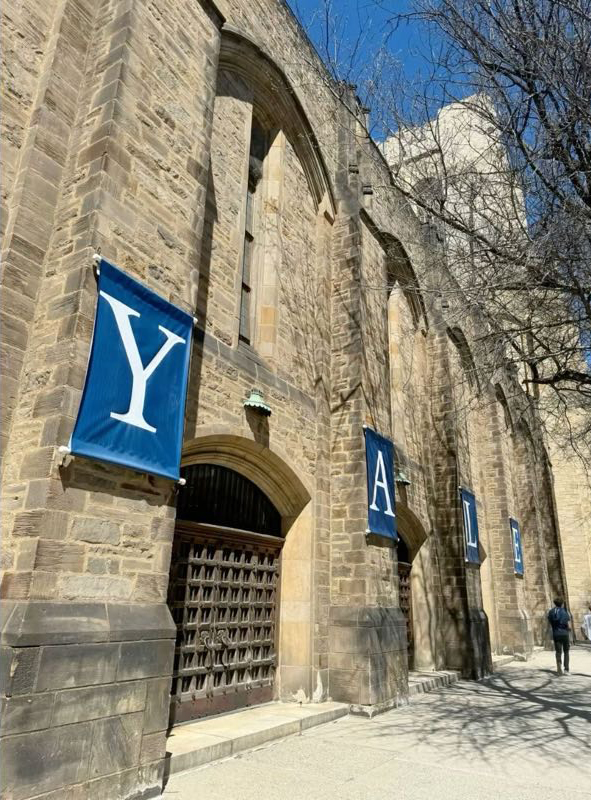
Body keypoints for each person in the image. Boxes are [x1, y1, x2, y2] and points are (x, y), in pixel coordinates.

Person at [548, 598, 571, 675]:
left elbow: (550, 621)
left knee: (558, 652)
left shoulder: (551, 612)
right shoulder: (565, 611)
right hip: (564, 633)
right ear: (562, 604)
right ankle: (566, 670)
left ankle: (559, 669)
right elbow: (568, 625)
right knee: (566, 651)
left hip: (556, 633)